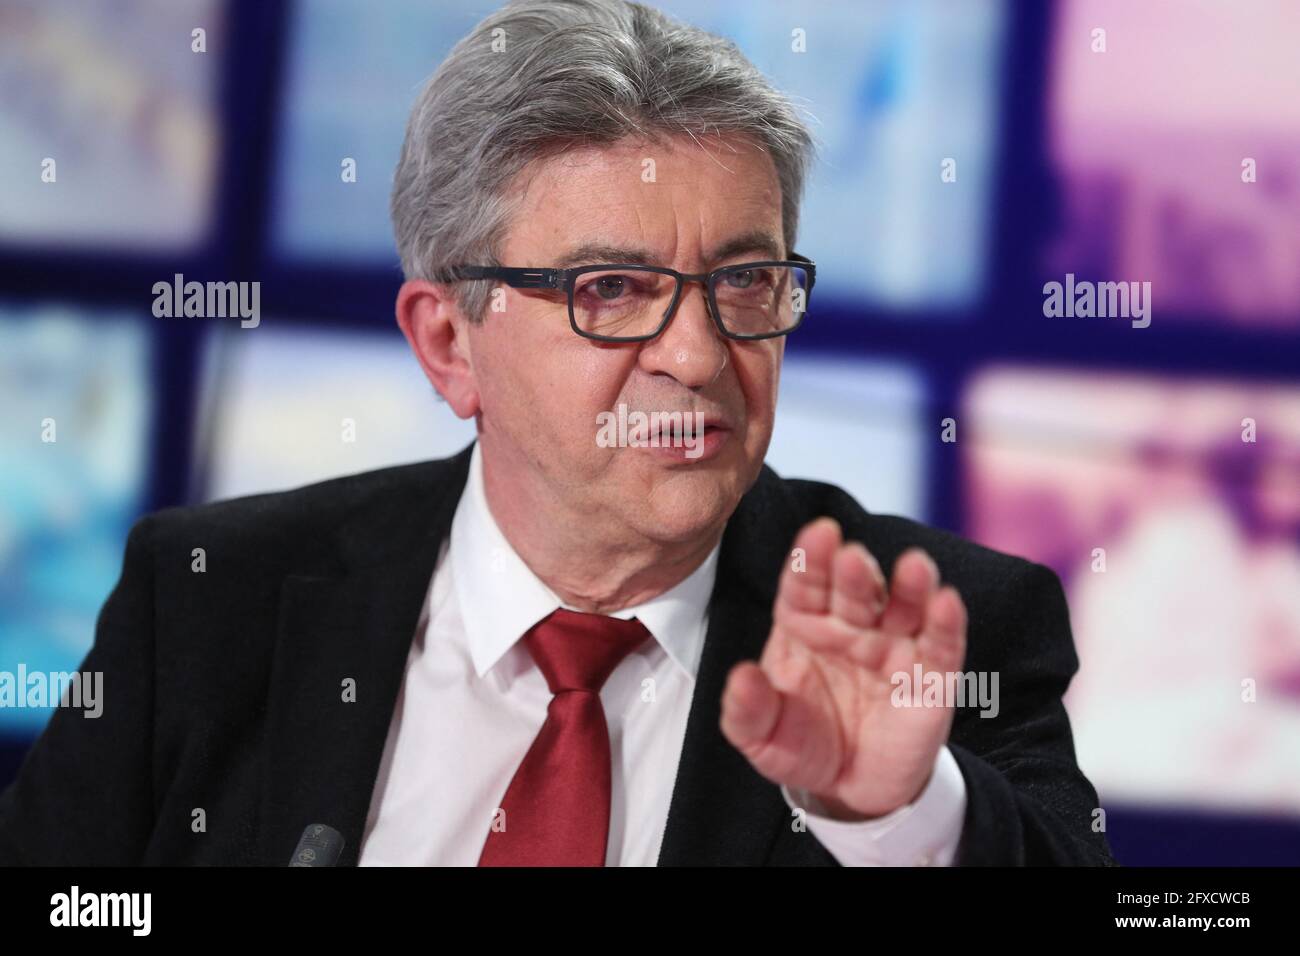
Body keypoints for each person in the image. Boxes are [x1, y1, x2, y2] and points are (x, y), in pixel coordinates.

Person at [0, 0, 1113, 866]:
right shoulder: (207, 597)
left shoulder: (944, 627)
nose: (697, 352)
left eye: (745, 280)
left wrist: (898, 815)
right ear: (447, 342)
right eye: (614, 287)